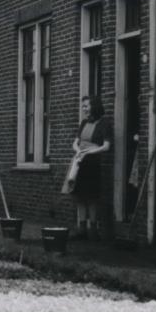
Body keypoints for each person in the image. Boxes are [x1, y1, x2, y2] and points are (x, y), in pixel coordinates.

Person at [65, 95, 112, 239]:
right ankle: (82, 229)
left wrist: (90, 151)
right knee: (79, 196)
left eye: (86, 106)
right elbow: (75, 142)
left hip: (92, 163)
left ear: (94, 106)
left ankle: (93, 230)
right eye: (83, 106)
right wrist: (78, 150)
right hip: (80, 162)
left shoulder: (104, 123)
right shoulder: (84, 122)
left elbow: (106, 146)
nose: (84, 109)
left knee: (91, 196)